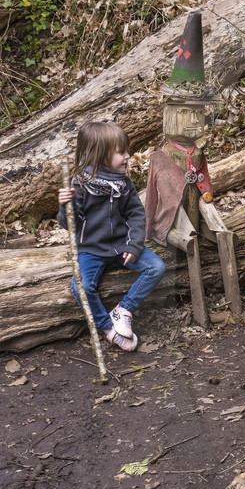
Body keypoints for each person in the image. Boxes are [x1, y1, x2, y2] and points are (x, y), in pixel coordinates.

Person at [56, 122, 165, 351]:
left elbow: (136, 214)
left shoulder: (124, 183)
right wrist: (66, 205)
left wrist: (134, 245)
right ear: (100, 155)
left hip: (120, 246)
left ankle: (123, 310)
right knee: (82, 287)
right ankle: (108, 328)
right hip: (90, 249)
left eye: (126, 150)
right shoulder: (79, 185)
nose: (127, 156)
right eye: (121, 152)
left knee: (156, 266)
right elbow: (69, 225)